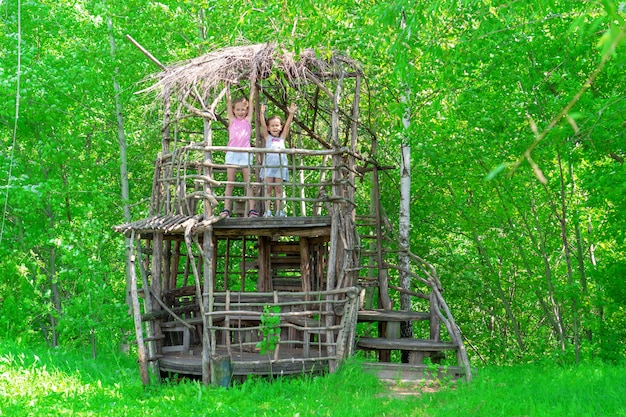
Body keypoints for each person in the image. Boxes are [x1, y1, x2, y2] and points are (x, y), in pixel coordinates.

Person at [222, 84, 257, 218]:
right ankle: (226, 209)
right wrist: (227, 87)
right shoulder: (232, 120)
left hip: (245, 153)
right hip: (232, 153)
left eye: (243, 109)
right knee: (230, 181)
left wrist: (252, 88)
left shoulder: (248, 121)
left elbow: (252, 102)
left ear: (247, 110)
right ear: (234, 110)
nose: (241, 112)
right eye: (238, 110)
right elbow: (228, 101)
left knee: (247, 182)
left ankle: (252, 210)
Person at [259, 102, 296, 217]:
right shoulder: (267, 137)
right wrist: (261, 113)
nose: (275, 127)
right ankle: (267, 211)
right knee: (268, 188)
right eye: (272, 125)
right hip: (269, 167)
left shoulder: (282, 138)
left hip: (280, 167)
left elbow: (288, 126)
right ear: (269, 128)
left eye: (277, 125)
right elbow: (263, 125)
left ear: (280, 127)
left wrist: (291, 114)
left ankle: (279, 210)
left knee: (279, 189)